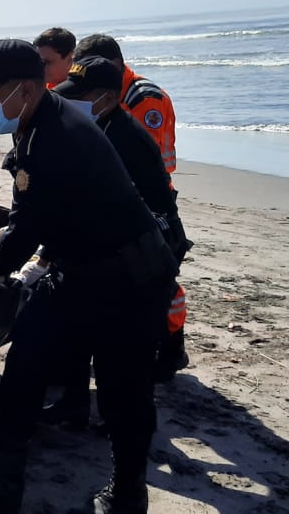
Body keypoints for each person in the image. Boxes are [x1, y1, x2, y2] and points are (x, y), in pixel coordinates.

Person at [0, 38, 175, 514]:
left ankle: (128, 496)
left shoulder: (60, 132)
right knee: (25, 363)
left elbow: (31, 223)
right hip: (82, 267)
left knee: (122, 391)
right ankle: (4, 487)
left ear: (26, 89)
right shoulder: (35, 120)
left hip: (130, 278)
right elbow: (41, 212)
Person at [41, 55, 191, 428]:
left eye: (80, 96)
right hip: (104, 247)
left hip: (139, 251)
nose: (70, 103)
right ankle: (75, 406)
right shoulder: (97, 128)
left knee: (122, 349)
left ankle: (120, 420)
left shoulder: (125, 138)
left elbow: (128, 206)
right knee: (77, 330)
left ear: (106, 98)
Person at [73, 34, 187, 380]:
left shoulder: (143, 98)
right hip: (131, 205)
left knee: (161, 286)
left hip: (150, 207)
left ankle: (170, 351)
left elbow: (145, 162)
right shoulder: (110, 96)